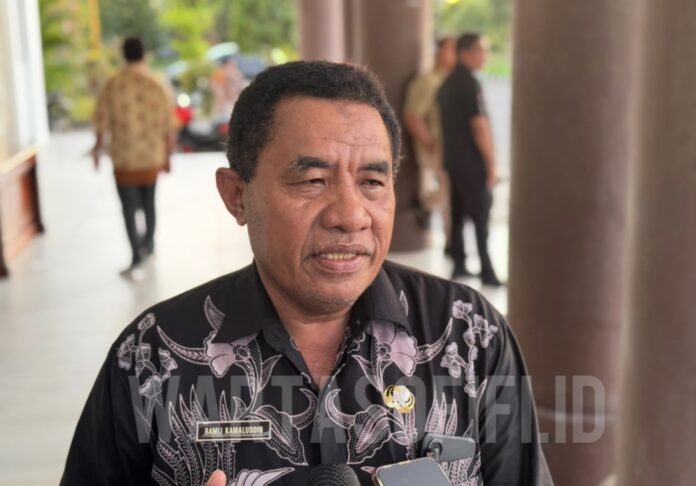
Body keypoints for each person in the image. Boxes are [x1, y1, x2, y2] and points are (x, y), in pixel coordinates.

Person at [62, 61, 552, 486]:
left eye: (372, 181)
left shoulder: (468, 335)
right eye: (313, 180)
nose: (350, 215)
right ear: (237, 195)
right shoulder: (154, 356)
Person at [92, 37, 175, 278]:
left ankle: (136, 254)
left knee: (128, 208)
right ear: (144, 55)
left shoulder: (113, 85)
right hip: (151, 157)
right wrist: (168, 155)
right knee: (149, 203)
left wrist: (97, 150)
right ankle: (149, 244)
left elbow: (101, 121)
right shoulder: (156, 84)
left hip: (124, 159)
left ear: (124, 55)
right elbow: (168, 125)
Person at [438, 33, 502, 286]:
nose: (484, 56)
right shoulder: (469, 84)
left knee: (457, 213)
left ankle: (459, 263)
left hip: (453, 161)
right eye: (481, 50)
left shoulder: (447, 84)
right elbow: (479, 125)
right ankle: (487, 269)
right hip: (471, 162)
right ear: (465, 53)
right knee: (480, 214)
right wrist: (491, 163)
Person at [403, 37, 457, 250]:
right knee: (448, 191)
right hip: (435, 146)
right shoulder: (428, 81)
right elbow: (412, 115)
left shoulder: (449, 80)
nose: (455, 54)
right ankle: (450, 241)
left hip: (450, 147)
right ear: (439, 52)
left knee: (449, 192)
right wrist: (429, 143)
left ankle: (451, 241)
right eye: (451, 49)